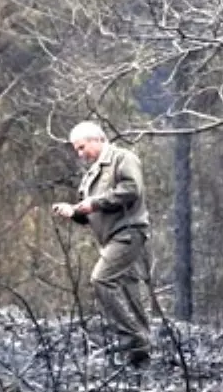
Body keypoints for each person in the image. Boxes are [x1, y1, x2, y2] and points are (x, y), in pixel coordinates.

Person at [51, 122, 152, 366]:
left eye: (82, 147)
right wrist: (73, 211)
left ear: (97, 139)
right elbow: (88, 215)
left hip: (127, 231)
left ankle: (132, 338)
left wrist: (96, 203)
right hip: (110, 237)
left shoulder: (122, 158)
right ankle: (141, 351)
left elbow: (131, 189)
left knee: (101, 279)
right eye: (77, 149)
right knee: (129, 288)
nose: (80, 153)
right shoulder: (91, 175)